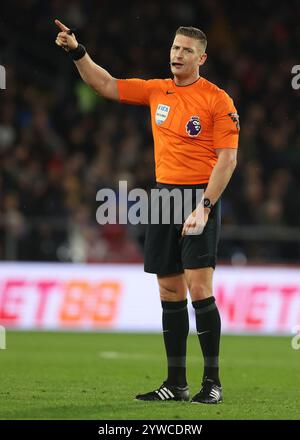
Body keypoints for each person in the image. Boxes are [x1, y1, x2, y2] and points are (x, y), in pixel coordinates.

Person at [55, 20, 239, 404]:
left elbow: (228, 159)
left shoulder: (217, 100)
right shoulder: (158, 90)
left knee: (199, 288)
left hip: (197, 197)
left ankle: (213, 383)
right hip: (162, 197)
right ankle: (176, 383)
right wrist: (77, 51)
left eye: (187, 50)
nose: (177, 54)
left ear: (201, 58)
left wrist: (205, 206)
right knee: (169, 289)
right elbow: (104, 84)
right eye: (175, 47)